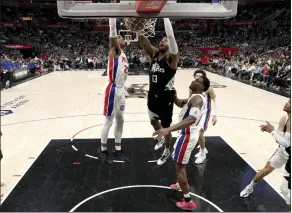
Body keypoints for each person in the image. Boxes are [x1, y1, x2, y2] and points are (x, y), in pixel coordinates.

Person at [153, 75, 210, 210]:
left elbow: (191, 119)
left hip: (187, 136)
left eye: (197, 81)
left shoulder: (197, 99)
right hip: (187, 135)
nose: (193, 81)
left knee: (180, 167)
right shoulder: (193, 97)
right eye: (194, 79)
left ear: (202, 87)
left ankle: (188, 200)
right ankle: (180, 184)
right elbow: (180, 103)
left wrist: (169, 129)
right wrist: (174, 95)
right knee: (179, 164)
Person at [138, 18, 179, 165]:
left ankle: (168, 149)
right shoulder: (154, 55)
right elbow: (144, 43)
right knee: (153, 121)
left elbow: (172, 37)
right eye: (161, 40)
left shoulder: (172, 59)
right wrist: (138, 30)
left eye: (165, 41)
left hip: (165, 98)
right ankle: (161, 138)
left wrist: (166, 17)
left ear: (171, 45)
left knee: (166, 127)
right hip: (152, 95)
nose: (162, 42)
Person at [240, 99, 291, 205]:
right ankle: (249, 187)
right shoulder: (284, 119)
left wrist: (272, 130)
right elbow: (280, 140)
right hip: (283, 151)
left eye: (290, 102)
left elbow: (287, 143)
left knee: (286, 190)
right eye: (288, 101)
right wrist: (272, 130)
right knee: (265, 171)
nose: (286, 103)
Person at [98, 18, 134, 165]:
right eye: (118, 37)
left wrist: (126, 87)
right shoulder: (115, 50)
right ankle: (103, 150)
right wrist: (112, 14)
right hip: (112, 90)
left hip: (120, 89)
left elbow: (120, 76)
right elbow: (112, 32)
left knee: (121, 120)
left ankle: (118, 150)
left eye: (121, 37)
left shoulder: (124, 55)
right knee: (109, 121)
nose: (120, 37)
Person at [191, 70, 218, 164]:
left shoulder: (209, 89)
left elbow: (215, 101)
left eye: (199, 75)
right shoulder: (192, 88)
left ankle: (203, 154)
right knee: (196, 132)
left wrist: (215, 115)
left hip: (206, 113)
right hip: (197, 112)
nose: (197, 77)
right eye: (196, 75)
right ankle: (203, 149)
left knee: (199, 132)